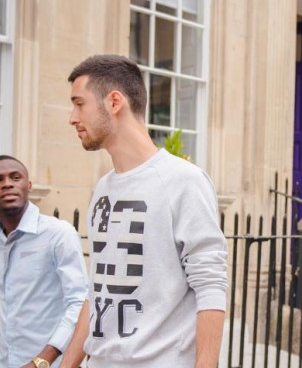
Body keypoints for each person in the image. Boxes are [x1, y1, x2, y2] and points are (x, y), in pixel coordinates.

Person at [61, 55, 228, 368]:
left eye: (79, 104)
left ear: (114, 102)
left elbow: (210, 285)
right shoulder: (103, 188)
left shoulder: (184, 181)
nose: (72, 117)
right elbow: (97, 290)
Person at [0, 155, 88, 368]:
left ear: (28, 185)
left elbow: (80, 302)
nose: (7, 184)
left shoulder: (58, 233)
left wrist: (43, 360)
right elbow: (1, 306)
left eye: (15, 177)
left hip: (54, 363)